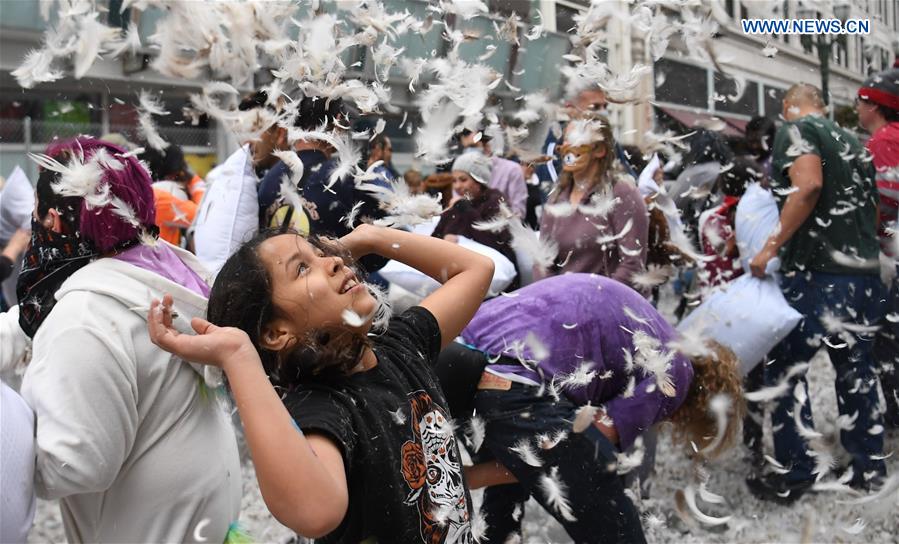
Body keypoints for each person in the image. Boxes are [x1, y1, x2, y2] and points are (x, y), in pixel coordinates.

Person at [147, 224, 495, 542]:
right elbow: (315, 513)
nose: (334, 262)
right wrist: (239, 357)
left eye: (323, 253)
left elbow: (476, 270)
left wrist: (371, 238)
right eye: (302, 268)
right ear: (276, 333)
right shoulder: (323, 408)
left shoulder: (402, 345)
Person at [18, 137, 242, 542]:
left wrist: (11, 430)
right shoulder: (162, 271)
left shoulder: (84, 317)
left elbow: (76, 464)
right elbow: (26, 328)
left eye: (35, 212)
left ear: (53, 220)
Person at [450, 273, 744, 544]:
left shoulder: (656, 329)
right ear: (699, 410)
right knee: (617, 529)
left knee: (504, 503)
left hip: (459, 356)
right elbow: (575, 445)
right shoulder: (678, 373)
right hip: (514, 382)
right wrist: (471, 477)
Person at [748, 83, 886, 500]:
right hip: (864, 273)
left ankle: (797, 471)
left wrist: (769, 247)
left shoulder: (798, 129)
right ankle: (867, 469)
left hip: (819, 274)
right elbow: (873, 209)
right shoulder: (855, 144)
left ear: (788, 107)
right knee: (856, 371)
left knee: (785, 370)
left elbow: (807, 185)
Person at [536, 117, 649, 292]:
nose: (567, 145)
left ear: (600, 150)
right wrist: (552, 297)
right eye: (565, 139)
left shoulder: (622, 193)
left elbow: (632, 265)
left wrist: (593, 301)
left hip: (611, 301)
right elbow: (543, 262)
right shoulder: (557, 198)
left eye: (576, 138)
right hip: (563, 301)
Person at [857, 67, 899, 427]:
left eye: (861, 101)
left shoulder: (884, 140)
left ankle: (896, 413)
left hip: (891, 256)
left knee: (886, 341)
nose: (857, 107)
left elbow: (885, 199)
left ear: (874, 106)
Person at [432, 151, 517, 270]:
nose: (457, 186)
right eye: (454, 181)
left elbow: (494, 243)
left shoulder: (495, 202)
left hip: (495, 273)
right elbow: (435, 238)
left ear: (479, 181)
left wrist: (464, 208)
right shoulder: (458, 204)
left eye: (463, 180)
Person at [697, 157, 761, 288]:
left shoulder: (708, 218)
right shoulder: (759, 218)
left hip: (714, 293)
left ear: (722, 184)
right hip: (750, 292)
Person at [139, 144, 202, 246]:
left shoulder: (142, 191)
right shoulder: (159, 196)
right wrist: (195, 182)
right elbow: (204, 217)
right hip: (160, 255)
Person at [459, 128, 528, 217]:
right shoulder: (462, 172)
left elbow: (518, 212)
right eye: (466, 148)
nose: (469, 152)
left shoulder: (511, 170)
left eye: (473, 146)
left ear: (486, 147)